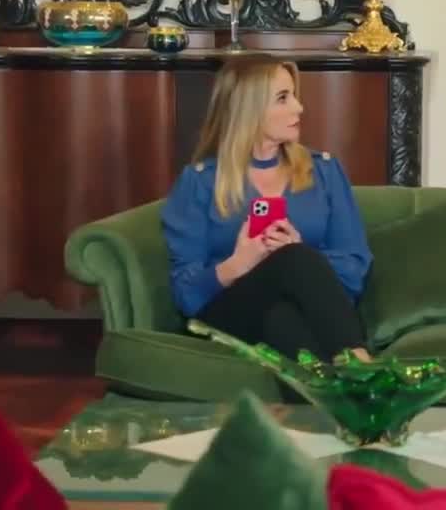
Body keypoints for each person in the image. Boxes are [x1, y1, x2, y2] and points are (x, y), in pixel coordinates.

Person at [160, 57, 373, 363]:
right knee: (293, 258)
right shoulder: (199, 181)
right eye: (283, 98)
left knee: (281, 315)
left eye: (294, 95)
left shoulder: (324, 171)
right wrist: (238, 264)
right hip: (228, 314)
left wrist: (302, 260)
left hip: (304, 314)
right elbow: (186, 293)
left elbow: (354, 268)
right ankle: (359, 362)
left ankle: (326, 389)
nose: (299, 107)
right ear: (249, 110)